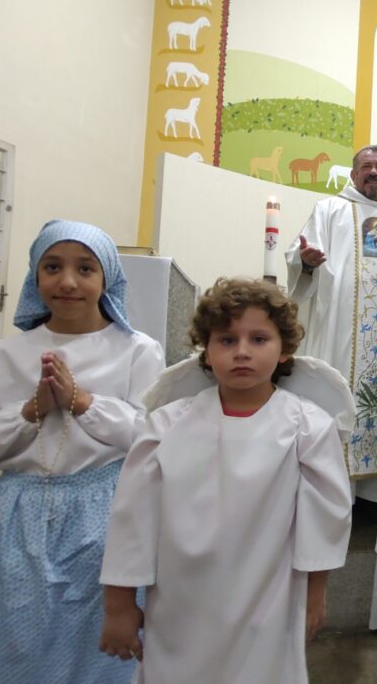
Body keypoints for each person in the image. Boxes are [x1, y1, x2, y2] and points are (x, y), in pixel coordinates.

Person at [98, 278, 352, 684]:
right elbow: (133, 516)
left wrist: (315, 594)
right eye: (227, 340)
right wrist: (119, 605)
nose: (243, 352)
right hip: (181, 605)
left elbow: (324, 516)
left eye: (258, 338)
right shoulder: (168, 424)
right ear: (207, 349)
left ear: (284, 349)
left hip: (267, 598)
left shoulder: (307, 426)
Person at [0, 220, 164, 684]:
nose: (68, 281)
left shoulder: (137, 351)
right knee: (4, 637)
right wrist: (31, 411)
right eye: (53, 266)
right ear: (35, 275)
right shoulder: (4, 355)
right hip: (14, 519)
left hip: (106, 514)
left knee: (96, 645)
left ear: (106, 278)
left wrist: (83, 402)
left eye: (85, 268)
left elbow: (152, 436)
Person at [286, 144, 377, 502]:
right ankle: (333, 489)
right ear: (353, 173)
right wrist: (307, 263)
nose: (374, 172)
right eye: (366, 166)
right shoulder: (329, 210)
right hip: (341, 335)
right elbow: (299, 261)